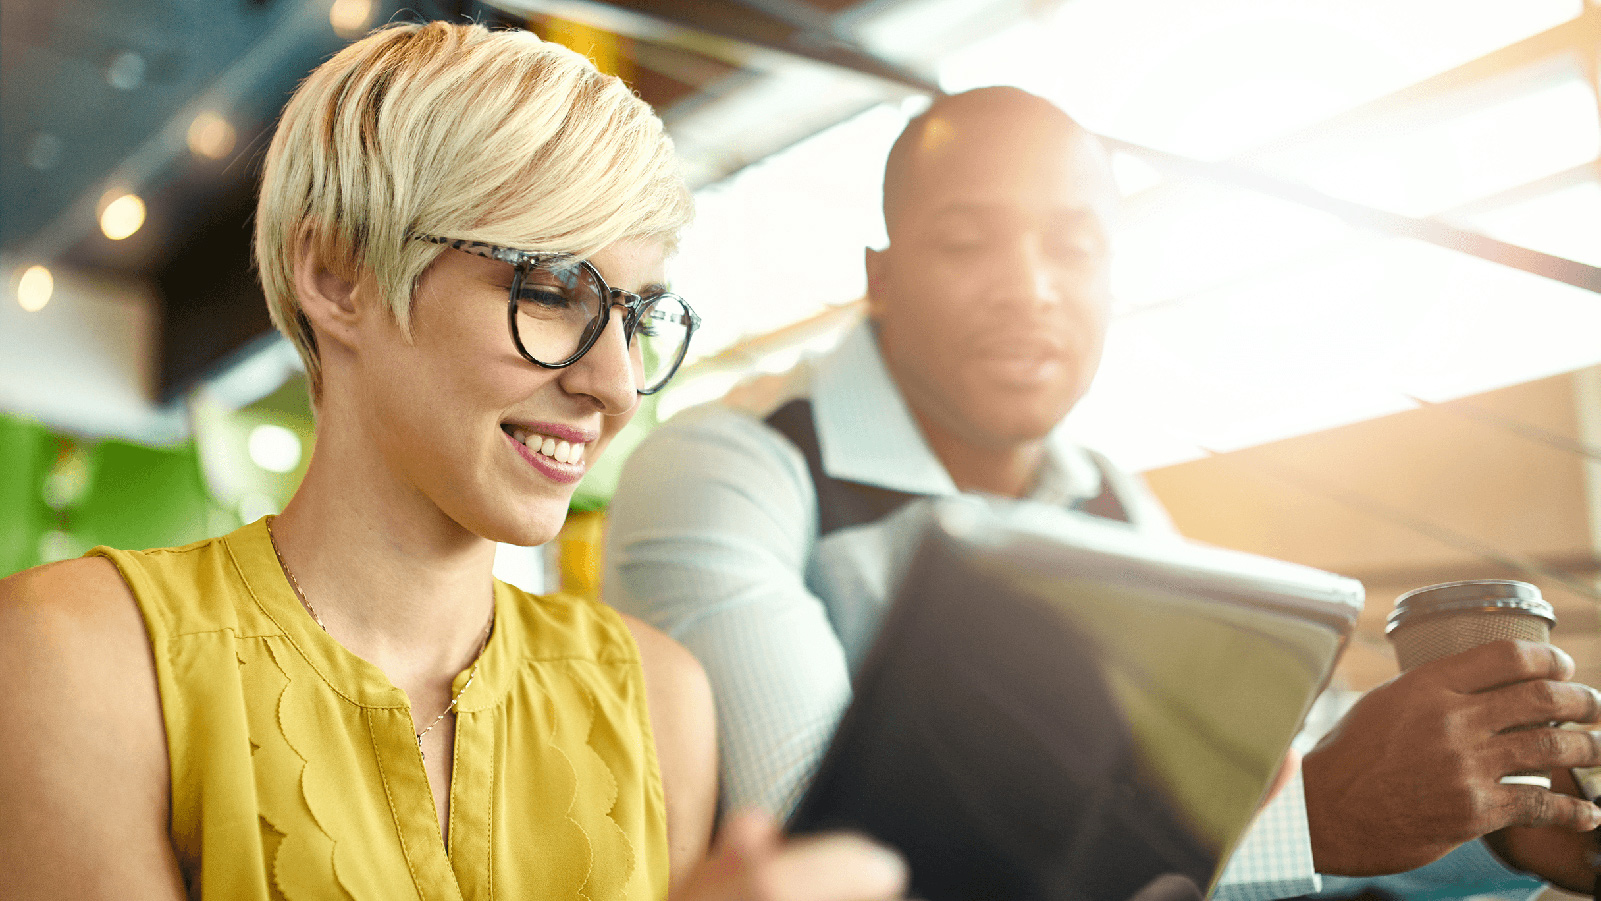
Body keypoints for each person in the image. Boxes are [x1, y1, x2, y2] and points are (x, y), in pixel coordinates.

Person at [604, 85, 1601, 898]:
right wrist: (1311, 824)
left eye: (1072, 247)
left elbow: (1272, 765)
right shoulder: (724, 469)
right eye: (965, 242)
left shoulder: (1111, 501)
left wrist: (1507, 827)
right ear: (882, 275)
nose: (1029, 287)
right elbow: (842, 864)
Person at [0, 22, 910, 901]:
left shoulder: (657, 696)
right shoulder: (76, 654)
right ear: (335, 275)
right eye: (551, 292)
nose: (616, 385)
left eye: (635, 318)